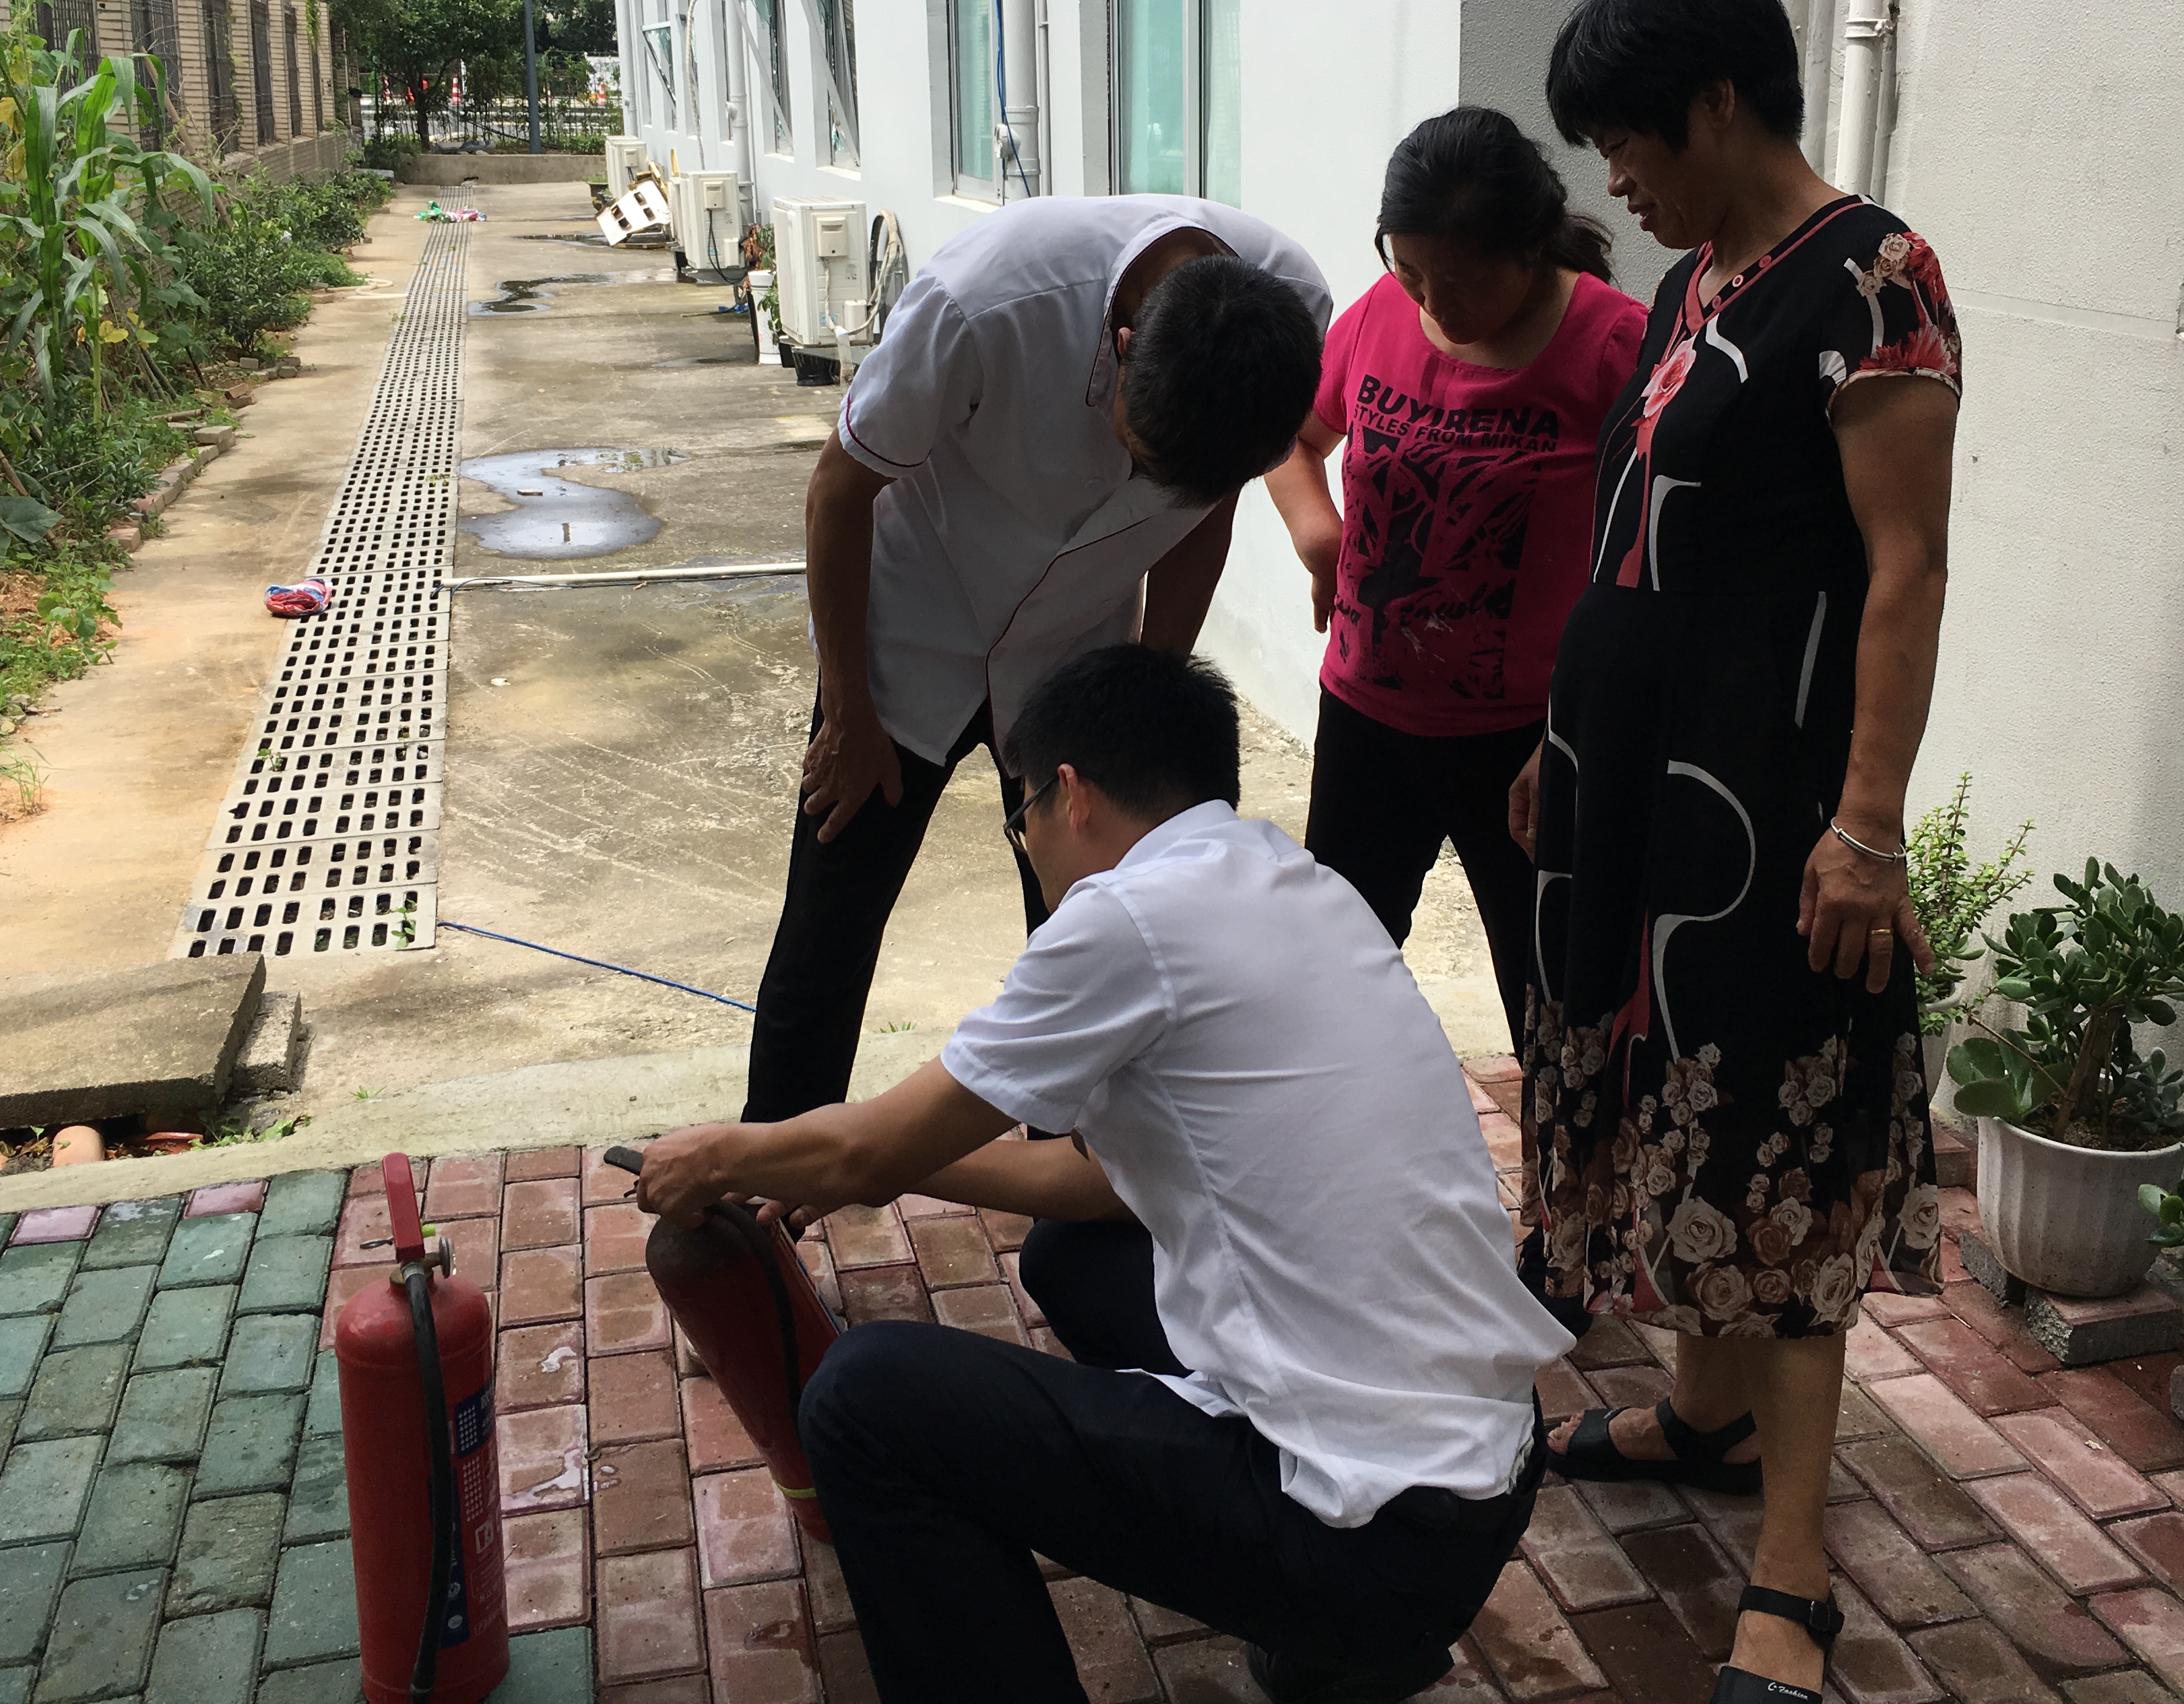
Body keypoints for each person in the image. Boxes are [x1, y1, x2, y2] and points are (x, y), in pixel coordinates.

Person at [635, 645, 1570, 1704]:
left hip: (1372, 1535)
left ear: (1069, 793)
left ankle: (1341, 1621)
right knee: (1073, 1258)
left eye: (1020, 816)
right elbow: (1102, 1184)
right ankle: (1343, 1651)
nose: (1028, 845)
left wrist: (720, 1154)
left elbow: (868, 1145)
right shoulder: (1292, 881)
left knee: (864, 1399)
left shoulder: (1126, 918)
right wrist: (887, 1172)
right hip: (1482, 1473)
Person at [1512, 0, 1958, 1704]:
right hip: (1632, 773)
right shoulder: (1697, 278)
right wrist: (1565, 737)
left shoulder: (1874, 280)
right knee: (1659, 1096)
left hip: (1764, 797)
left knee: (1771, 1133)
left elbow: (1906, 570)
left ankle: (1793, 1569)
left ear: (1717, 103)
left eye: (1628, 140)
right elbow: (1638, 528)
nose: (1614, 178)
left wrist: (1870, 827)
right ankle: (1700, 1418)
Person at [746, 197, 1330, 1124]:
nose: (1151, 489)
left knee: (1095, 934)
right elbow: (838, 490)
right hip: (909, 634)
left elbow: (1204, 514)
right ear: (1126, 347)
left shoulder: (1287, 316)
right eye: (1142, 455)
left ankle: (1075, 1180)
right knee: (829, 931)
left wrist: (1142, 700)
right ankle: (767, 1187)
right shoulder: (983, 303)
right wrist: (850, 711)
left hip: (1076, 650)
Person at [1262, 108, 1644, 1045]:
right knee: (1332, 979)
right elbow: (1293, 436)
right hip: (1366, 718)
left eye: (1462, 281)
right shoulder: (1379, 315)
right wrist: (1321, 540)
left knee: (1552, 1002)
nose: (1434, 303)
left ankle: (1557, 1151)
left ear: (1530, 248)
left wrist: (1583, 725)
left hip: (1527, 742)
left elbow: (1654, 558)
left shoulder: (1614, 346)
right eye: (1410, 271)